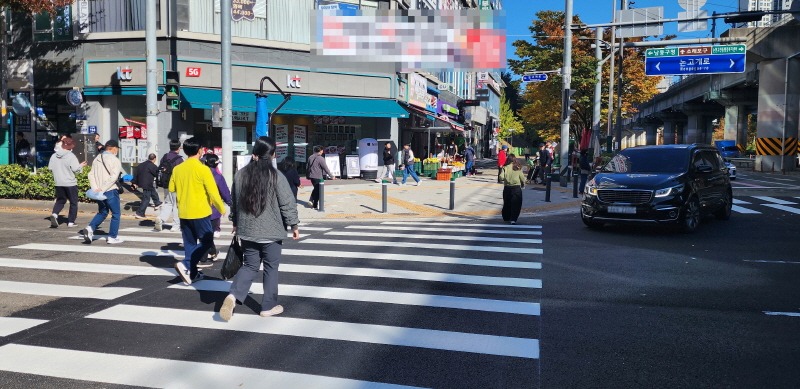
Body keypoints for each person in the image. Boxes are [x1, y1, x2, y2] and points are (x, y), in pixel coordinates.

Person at [220, 136, 300, 321]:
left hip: (248, 230)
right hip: (271, 231)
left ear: (255, 153)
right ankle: (267, 307)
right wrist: (294, 224)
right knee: (271, 268)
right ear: (272, 155)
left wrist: (235, 221)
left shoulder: (240, 174)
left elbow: (235, 202)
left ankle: (233, 296)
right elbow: (287, 203)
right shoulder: (276, 176)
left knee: (249, 266)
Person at [168, 138, 227, 285]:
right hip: (200, 211)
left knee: (189, 243)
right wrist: (221, 208)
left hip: (184, 212)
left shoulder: (178, 169)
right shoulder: (203, 169)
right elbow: (213, 192)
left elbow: (171, 188)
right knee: (207, 242)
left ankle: (192, 274)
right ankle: (187, 264)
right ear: (200, 150)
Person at [82, 140, 126, 244]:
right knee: (116, 213)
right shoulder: (114, 160)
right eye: (117, 149)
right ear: (114, 148)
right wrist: (103, 188)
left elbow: (90, 175)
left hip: (98, 192)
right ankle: (112, 237)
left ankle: (90, 228)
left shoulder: (97, 158)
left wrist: (95, 188)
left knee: (103, 212)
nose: (117, 151)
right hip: (110, 190)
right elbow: (113, 177)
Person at [48, 137, 86, 228]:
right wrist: (81, 165)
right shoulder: (71, 156)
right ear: (71, 147)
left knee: (60, 200)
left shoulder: (54, 156)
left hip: (58, 182)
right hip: (70, 183)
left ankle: (55, 214)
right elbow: (75, 169)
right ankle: (71, 222)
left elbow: (50, 168)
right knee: (73, 202)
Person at [154, 139, 184, 232]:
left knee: (168, 202)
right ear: (179, 148)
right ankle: (175, 225)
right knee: (176, 205)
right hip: (175, 185)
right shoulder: (180, 159)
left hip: (166, 184)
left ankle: (161, 219)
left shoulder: (165, 156)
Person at [132, 153, 161, 219]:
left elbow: (135, 173)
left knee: (152, 190)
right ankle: (140, 213)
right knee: (146, 199)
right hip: (147, 183)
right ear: (154, 159)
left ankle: (157, 202)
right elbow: (156, 173)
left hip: (142, 183)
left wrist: (134, 182)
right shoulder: (152, 165)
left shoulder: (141, 165)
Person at [499, 154, 526, 224]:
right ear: (514, 159)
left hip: (507, 188)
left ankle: (506, 218)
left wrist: (506, 178)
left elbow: (501, 177)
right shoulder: (517, 167)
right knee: (516, 204)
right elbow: (522, 178)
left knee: (507, 203)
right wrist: (523, 183)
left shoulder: (505, 167)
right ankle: (513, 219)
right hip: (516, 188)